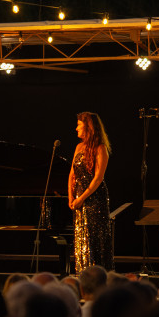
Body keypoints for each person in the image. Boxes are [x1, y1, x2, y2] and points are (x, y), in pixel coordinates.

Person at [68, 111, 113, 271]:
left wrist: (81, 198)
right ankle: (83, 272)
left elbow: (98, 178)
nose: (76, 128)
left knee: (94, 239)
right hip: (79, 198)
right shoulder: (79, 147)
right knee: (82, 240)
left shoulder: (101, 148)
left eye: (79, 125)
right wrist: (71, 197)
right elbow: (72, 174)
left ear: (88, 127)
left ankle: (98, 274)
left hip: (95, 199)